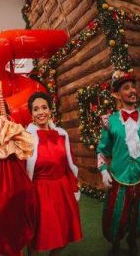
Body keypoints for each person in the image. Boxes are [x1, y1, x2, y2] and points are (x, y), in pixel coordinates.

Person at [97, 70, 140, 256]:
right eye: (127, 88)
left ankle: (132, 239)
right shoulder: (109, 121)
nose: (132, 90)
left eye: (133, 86)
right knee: (116, 216)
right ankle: (116, 242)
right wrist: (103, 171)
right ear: (118, 95)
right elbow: (102, 150)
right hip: (119, 177)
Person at [26, 92, 82, 256]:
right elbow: (22, 168)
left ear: (50, 110)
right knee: (36, 235)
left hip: (62, 189)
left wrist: (73, 187)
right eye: (36, 109)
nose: (41, 112)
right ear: (31, 114)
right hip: (39, 191)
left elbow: (69, 164)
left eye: (44, 107)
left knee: (63, 235)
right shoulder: (26, 137)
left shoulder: (62, 134)